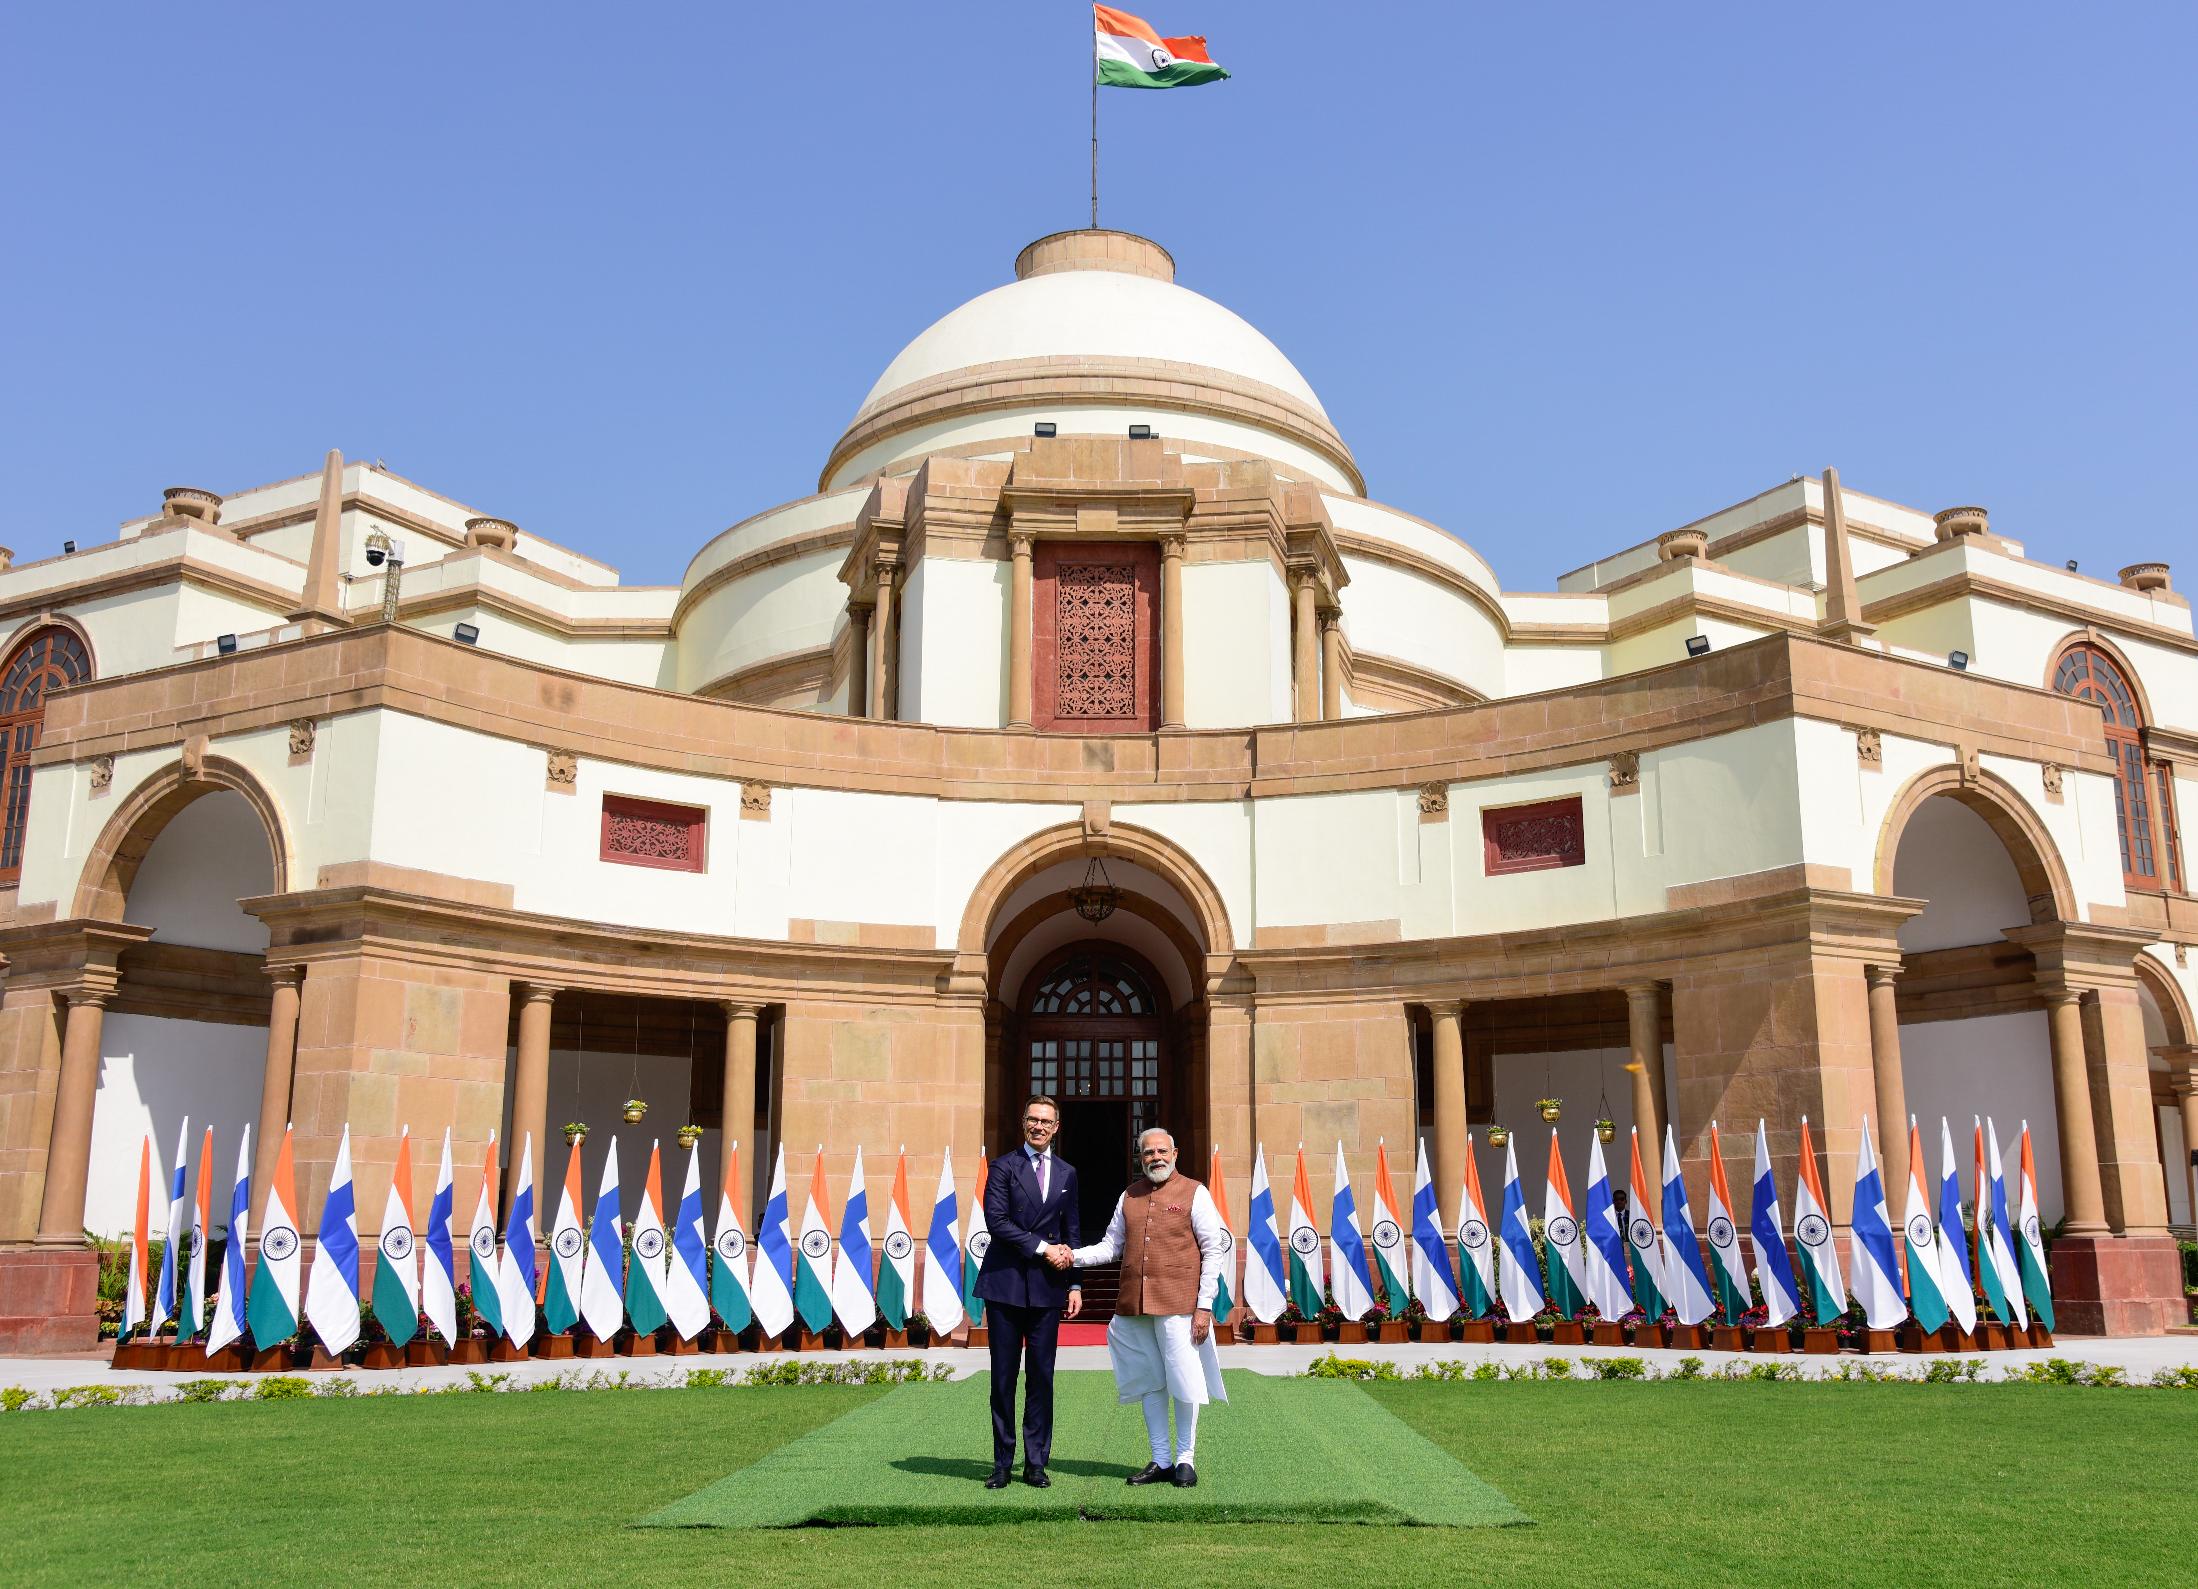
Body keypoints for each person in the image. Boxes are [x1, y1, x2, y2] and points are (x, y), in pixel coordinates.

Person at [1055, 1126, 1227, 1488]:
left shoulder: (1195, 1192)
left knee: (1183, 1380)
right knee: (1149, 1382)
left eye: (1162, 1151)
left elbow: (1214, 1250)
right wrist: (1072, 1256)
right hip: (1134, 1305)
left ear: (1175, 1154)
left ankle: (1185, 1459)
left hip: (1180, 1305)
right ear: (1141, 1157)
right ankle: (1161, 1459)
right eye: (1149, 1153)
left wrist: (1204, 1306)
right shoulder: (1129, 1196)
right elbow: (1110, 1246)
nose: (1156, 1158)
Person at [975, 1095, 1081, 1489]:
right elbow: (997, 1221)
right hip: (1005, 1284)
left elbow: (1071, 1229)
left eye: (1046, 1121)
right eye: (1033, 1119)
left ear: (1056, 1127)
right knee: (1003, 1379)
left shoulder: (1068, 1173)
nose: (1039, 1126)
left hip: (1048, 1288)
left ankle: (1036, 1462)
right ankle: (1002, 1462)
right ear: (1023, 1122)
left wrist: (1075, 1283)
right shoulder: (1003, 1166)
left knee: (1041, 1377)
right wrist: (1042, 1248)